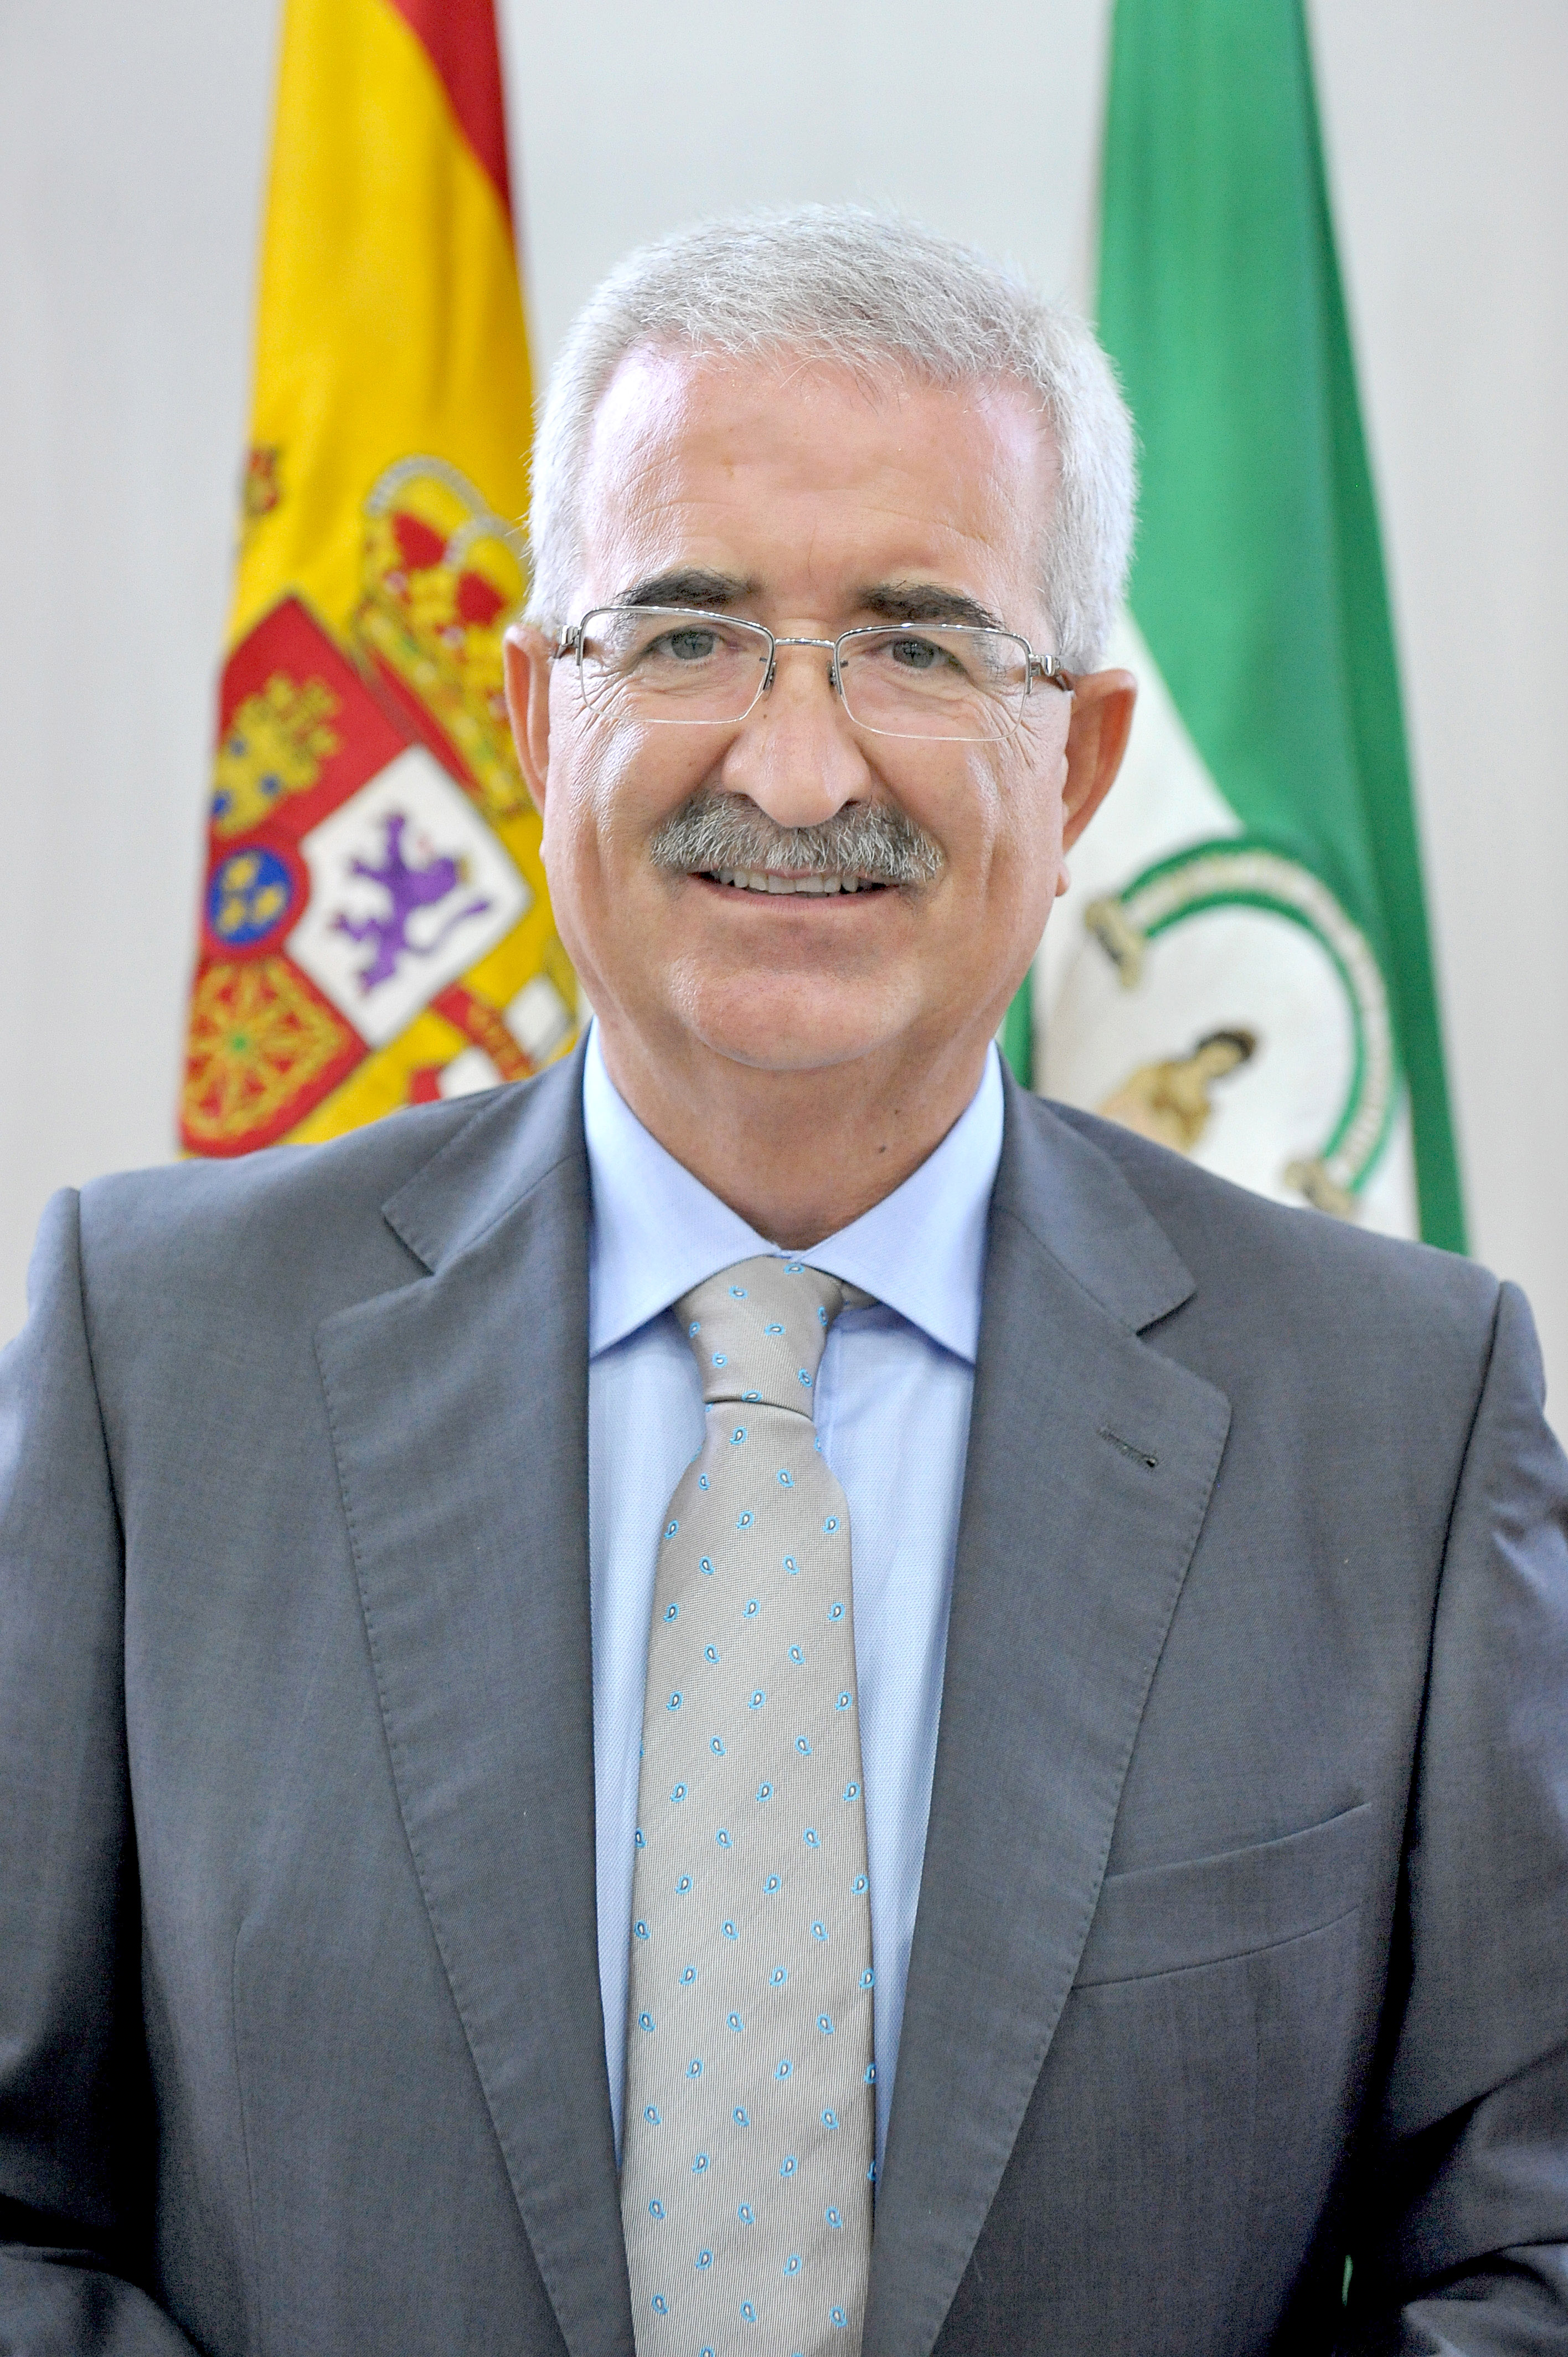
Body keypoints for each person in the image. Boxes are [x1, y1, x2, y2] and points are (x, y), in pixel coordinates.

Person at [2, 207, 1565, 2357]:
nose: (798, 768)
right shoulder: (156, 1363)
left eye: (919, 646)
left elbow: (1534, 2256)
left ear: (1081, 762)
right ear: (536, 713)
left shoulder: (1400, 1420)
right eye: (688, 635)